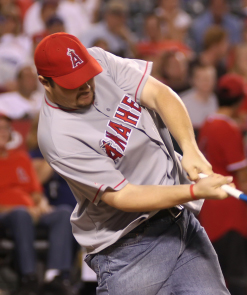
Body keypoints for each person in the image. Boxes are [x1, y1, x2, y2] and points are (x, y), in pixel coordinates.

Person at [34, 32, 233, 295]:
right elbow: (122, 196)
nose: (85, 85)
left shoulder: (97, 58)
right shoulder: (57, 136)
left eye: (87, 75)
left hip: (181, 224)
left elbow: (159, 94)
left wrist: (191, 148)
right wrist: (194, 191)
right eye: (73, 83)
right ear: (45, 83)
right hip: (129, 248)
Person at [197, 74, 247, 295]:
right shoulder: (228, 127)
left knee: (217, 277)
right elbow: (245, 178)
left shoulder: (208, 123)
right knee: (237, 278)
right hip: (229, 209)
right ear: (241, 100)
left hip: (209, 204)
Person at [0, 113, 74, 295]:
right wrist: (25, 209)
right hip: (9, 214)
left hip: (29, 212)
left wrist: (41, 204)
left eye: (5, 128)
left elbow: (36, 193)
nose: (3, 132)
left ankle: (54, 277)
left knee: (63, 213)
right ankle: (29, 277)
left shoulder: (21, 158)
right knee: (20, 214)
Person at [180, 64, 218, 129]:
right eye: (203, 79)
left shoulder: (213, 98)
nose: (206, 82)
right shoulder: (183, 102)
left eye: (209, 79)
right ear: (193, 80)